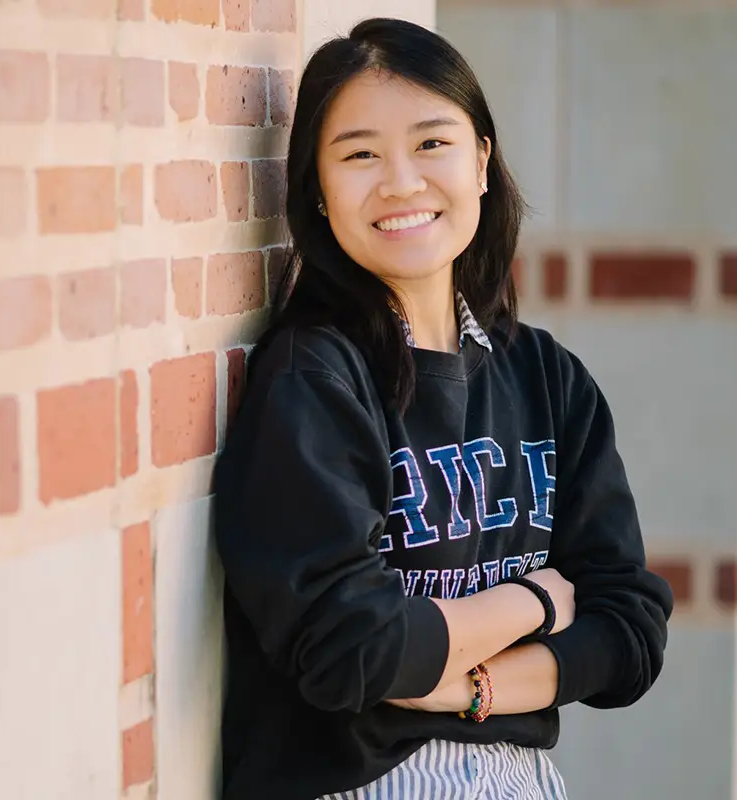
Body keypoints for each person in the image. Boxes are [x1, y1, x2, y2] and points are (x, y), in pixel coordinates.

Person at [209, 17, 674, 800]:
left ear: (483, 162)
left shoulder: (547, 379)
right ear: (318, 193)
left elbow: (630, 629)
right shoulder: (312, 380)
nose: (400, 183)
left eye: (432, 143)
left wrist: (469, 688)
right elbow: (351, 651)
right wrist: (530, 599)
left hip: (522, 780)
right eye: (359, 154)